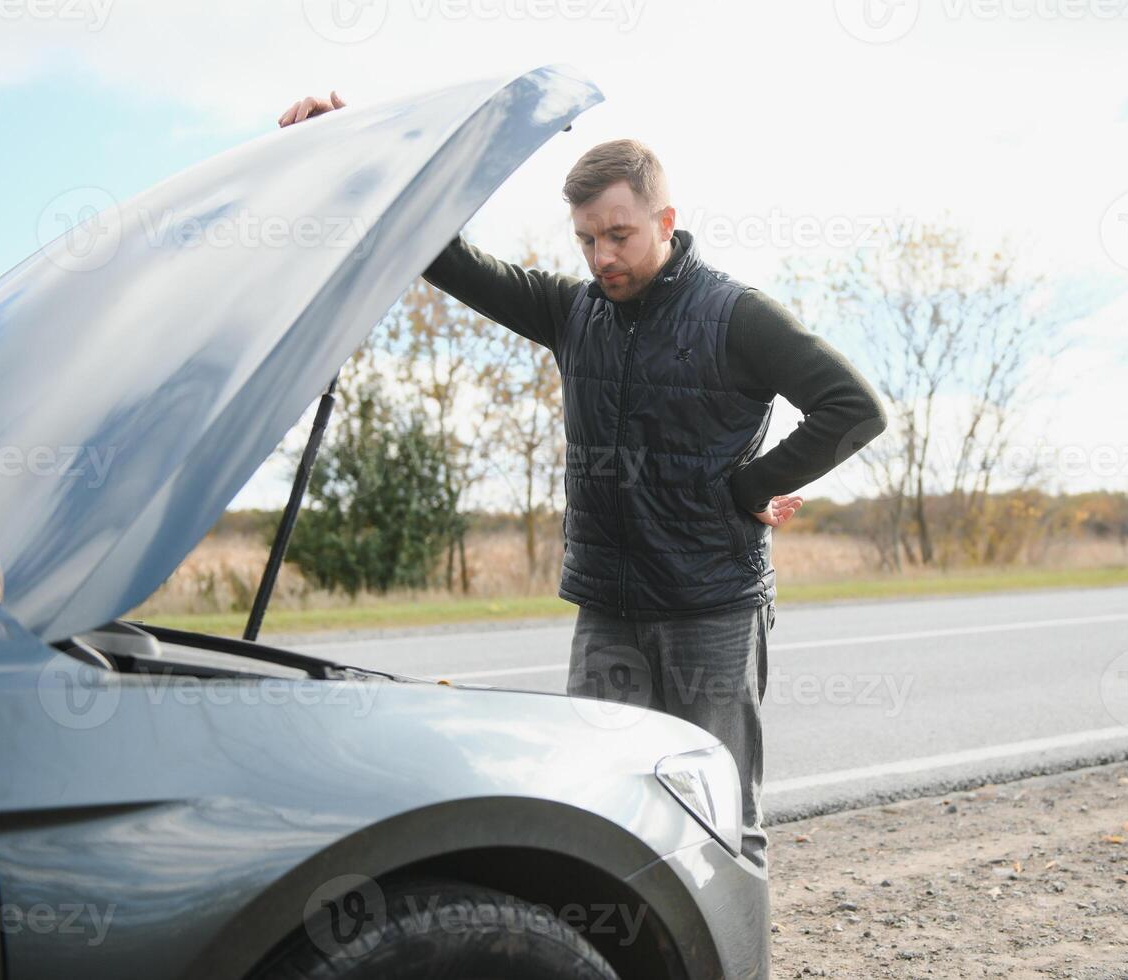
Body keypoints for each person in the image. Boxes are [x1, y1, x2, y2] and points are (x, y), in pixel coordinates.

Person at [278, 92, 888, 872]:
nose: (602, 257)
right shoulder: (572, 313)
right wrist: (365, 145)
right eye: (587, 239)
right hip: (606, 611)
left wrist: (744, 487)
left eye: (620, 235)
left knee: (719, 824)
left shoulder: (736, 316)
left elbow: (852, 407)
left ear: (666, 222)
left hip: (711, 609)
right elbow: (445, 255)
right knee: (600, 818)